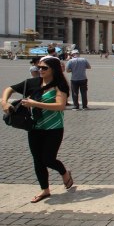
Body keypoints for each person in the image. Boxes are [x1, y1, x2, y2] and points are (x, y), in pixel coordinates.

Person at [1, 56, 74, 203]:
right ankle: (45, 190)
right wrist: (4, 102)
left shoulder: (60, 85)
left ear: (53, 69)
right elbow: (10, 89)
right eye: (38, 67)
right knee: (37, 160)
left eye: (44, 68)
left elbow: (60, 106)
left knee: (48, 159)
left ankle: (64, 172)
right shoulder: (32, 83)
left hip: (54, 128)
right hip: (34, 127)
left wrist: (35, 103)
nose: (40, 70)